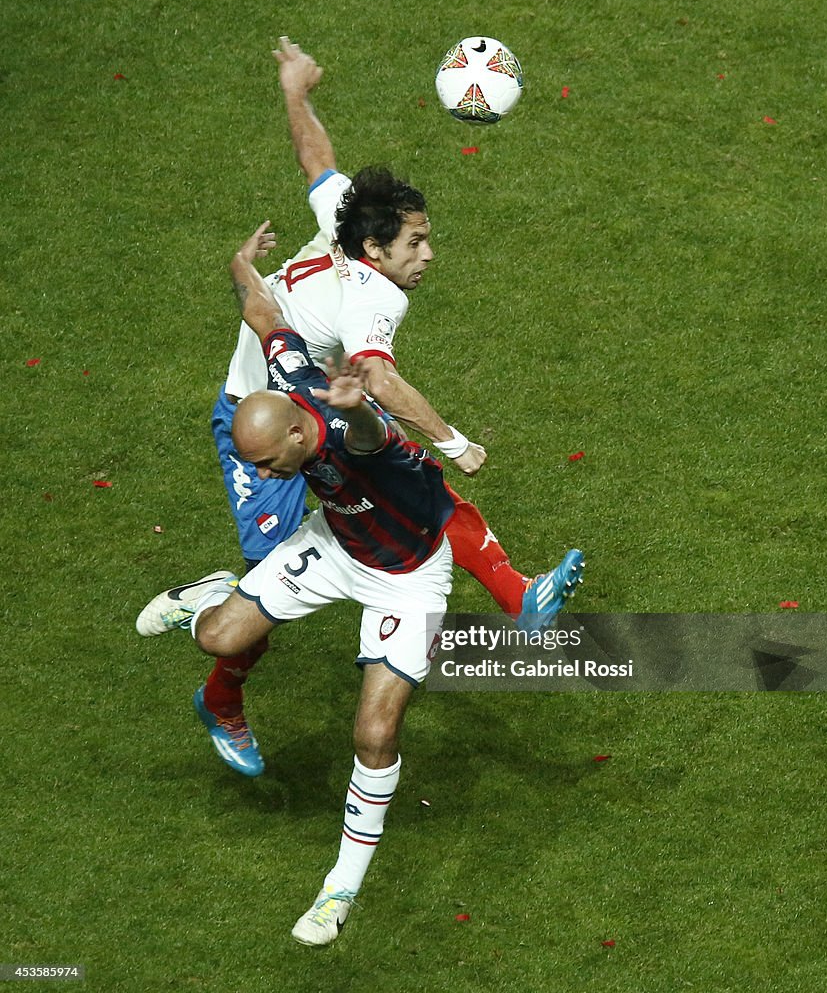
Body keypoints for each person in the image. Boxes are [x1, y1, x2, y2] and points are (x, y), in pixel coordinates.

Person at [137, 221, 535, 945]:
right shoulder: (291, 379)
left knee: (376, 732)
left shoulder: (371, 444)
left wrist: (355, 409)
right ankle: (220, 588)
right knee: (217, 636)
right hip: (337, 545)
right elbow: (264, 315)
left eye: (263, 463)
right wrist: (237, 263)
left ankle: (338, 890)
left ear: (296, 436)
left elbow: (368, 439)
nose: (257, 478)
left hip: (407, 580)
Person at [200, 37, 584, 777]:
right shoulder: (373, 295)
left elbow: (318, 163)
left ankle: (516, 595)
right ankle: (220, 696)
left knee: (406, 487)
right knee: (253, 603)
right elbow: (375, 375)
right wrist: (453, 438)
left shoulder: (347, 216)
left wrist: (293, 91)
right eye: (418, 242)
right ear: (375, 250)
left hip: (308, 413)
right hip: (258, 424)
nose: (429, 254)